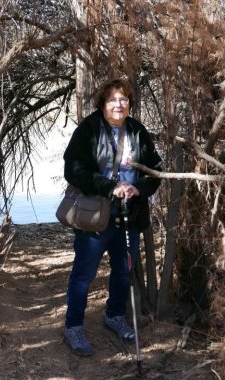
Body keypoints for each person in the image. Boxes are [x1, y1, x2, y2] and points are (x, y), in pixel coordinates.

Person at [63, 77, 162, 356]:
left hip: (129, 216)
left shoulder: (137, 131)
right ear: (103, 104)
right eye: (112, 99)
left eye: (124, 99)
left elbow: (155, 171)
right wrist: (109, 187)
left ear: (129, 103)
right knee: (84, 274)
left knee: (123, 271)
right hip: (95, 218)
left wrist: (137, 188)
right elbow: (73, 170)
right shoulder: (89, 130)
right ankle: (73, 327)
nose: (119, 104)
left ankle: (114, 316)